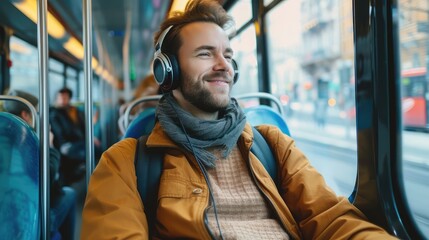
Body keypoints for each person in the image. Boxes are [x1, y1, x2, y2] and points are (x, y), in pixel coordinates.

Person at [81, 1, 398, 239]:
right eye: (206, 54)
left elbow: (333, 218)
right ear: (168, 71)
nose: (224, 66)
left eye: (228, 56)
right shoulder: (125, 163)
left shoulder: (272, 146)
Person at [4, 89, 76, 240]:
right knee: (69, 193)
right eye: (36, 112)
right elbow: (45, 180)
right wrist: (50, 147)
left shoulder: (5, 134)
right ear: (26, 115)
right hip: (26, 219)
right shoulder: (24, 141)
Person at [50, 87, 101, 184]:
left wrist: (91, 137)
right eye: (60, 98)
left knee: (98, 149)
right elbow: (61, 134)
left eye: (65, 98)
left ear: (69, 99)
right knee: (89, 152)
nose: (62, 100)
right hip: (65, 144)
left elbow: (83, 127)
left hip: (78, 141)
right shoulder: (54, 113)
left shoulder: (74, 111)